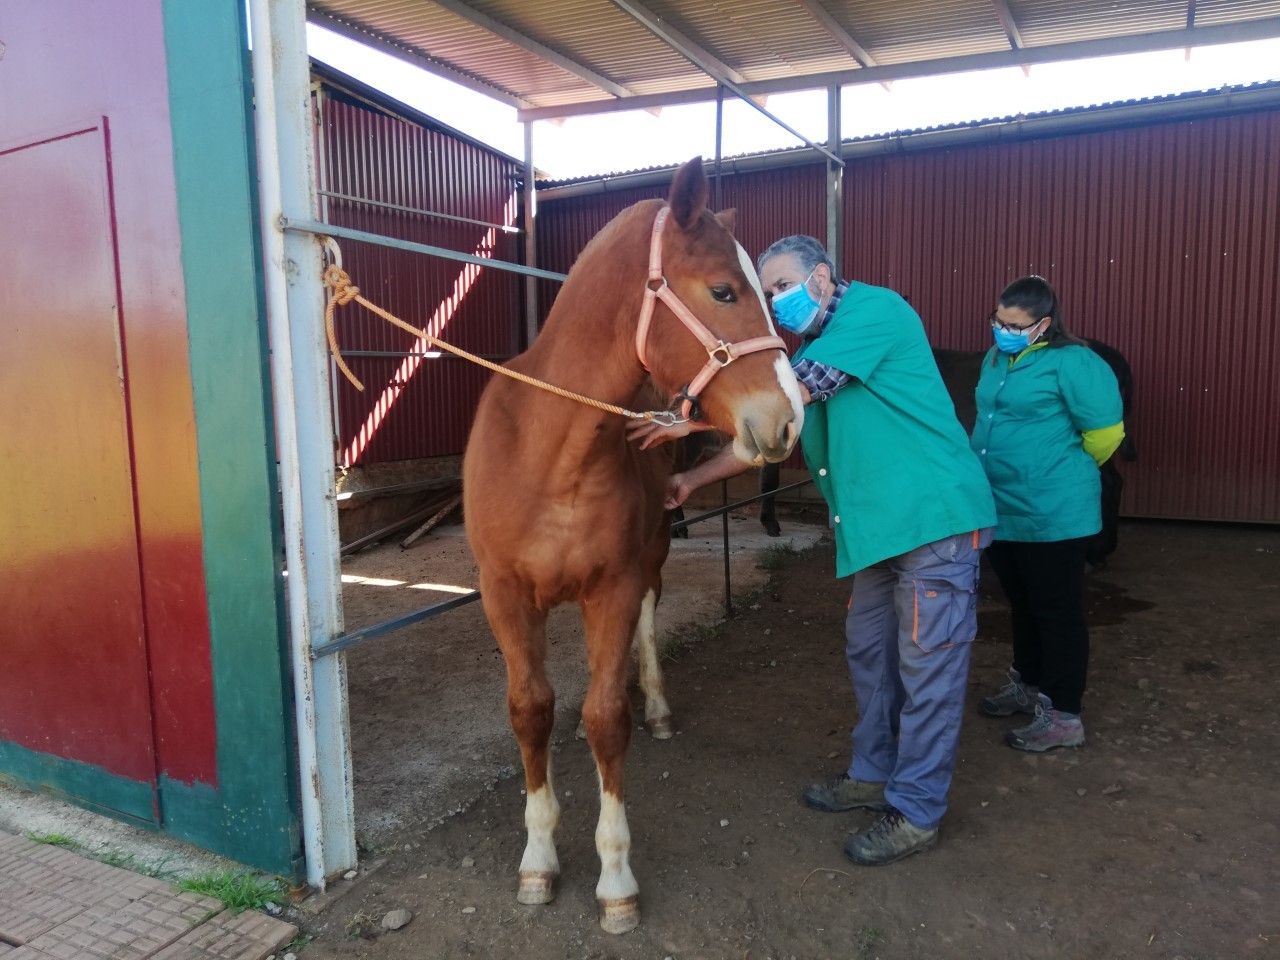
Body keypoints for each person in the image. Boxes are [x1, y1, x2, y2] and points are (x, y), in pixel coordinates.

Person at [630, 235, 995, 866]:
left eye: (780, 287)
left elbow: (800, 389)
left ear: (821, 277)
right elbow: (765, 438)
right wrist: (688, 480)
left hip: (931, 522)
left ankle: (915, 811)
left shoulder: (874, 314)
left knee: (928, 667)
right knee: (872, 656)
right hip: (876, 533)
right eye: (768, 292)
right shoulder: (811, 346)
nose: (775, 301)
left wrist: (693, 412)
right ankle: (872, 771)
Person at [972, 276, 1124, 752]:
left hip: (1053, 510)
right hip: (1001, 505)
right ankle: (1028, 682)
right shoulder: (995, 358)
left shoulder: (1076, 363)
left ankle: (1063, 714)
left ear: (1043, 324)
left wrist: (1054, 470)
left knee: (1057, 610)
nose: (1004, 330)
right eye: (999, 321)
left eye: (1016, 325)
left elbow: (1105, 435)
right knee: (1021, 601)